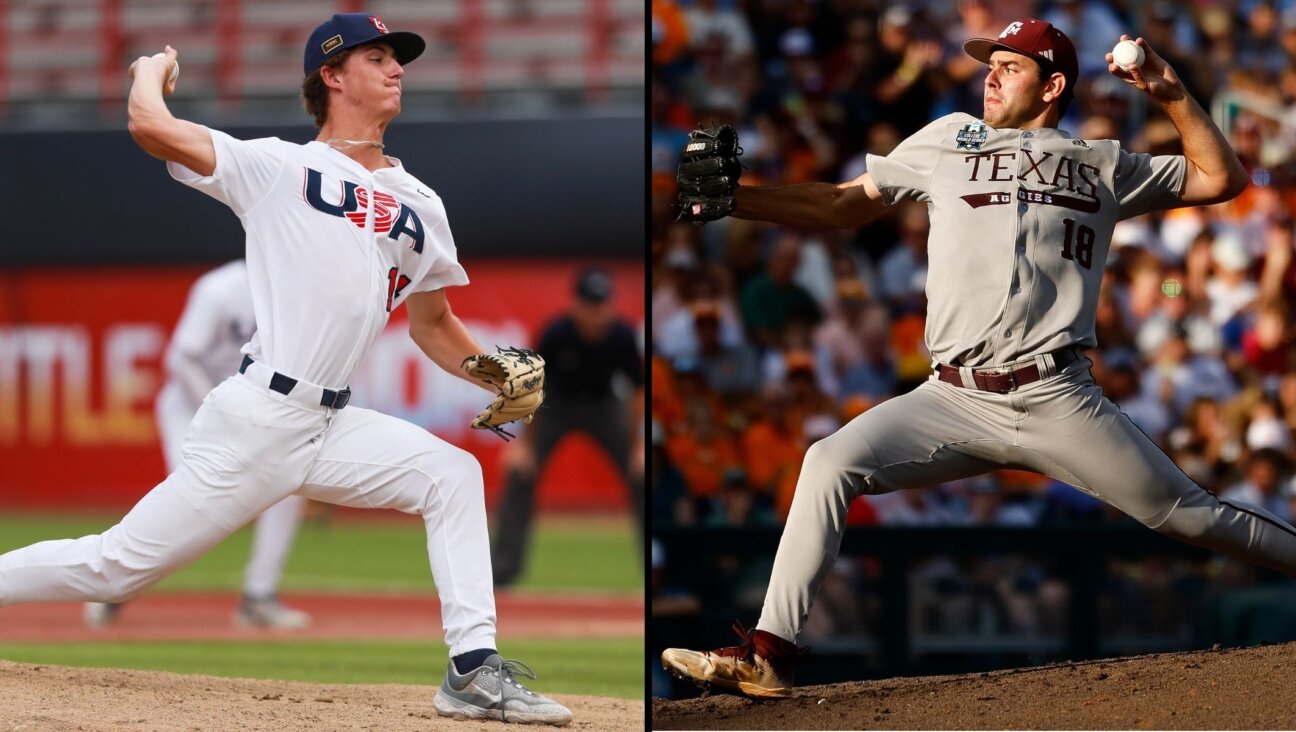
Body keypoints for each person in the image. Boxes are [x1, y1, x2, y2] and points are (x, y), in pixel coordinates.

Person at [662, 20, 1296, 699]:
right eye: (989, 63)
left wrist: (1169, 91)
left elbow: (1220, 177)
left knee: (1188, 514)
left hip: (1060, 397)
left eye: (1011, 65)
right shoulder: (946, 140)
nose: (991, 74)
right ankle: (770, 656)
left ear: (1053, 86)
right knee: (827, 462)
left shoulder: (1102, 162)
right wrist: (737, 199)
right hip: (953, 397)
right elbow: (842, 205)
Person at [0, 13, 570, 726]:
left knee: (450, 475)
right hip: (257, 420)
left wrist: (498, 373)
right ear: (331, 76)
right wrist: (149, 71)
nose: (397, 69)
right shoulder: (279, 167)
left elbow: (433, 325)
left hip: (329, 424)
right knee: (112, 567)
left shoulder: (422, 203)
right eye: (377, 57)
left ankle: (472, 670)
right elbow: (151, 126)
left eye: (399, 58)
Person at [84, 259, 311, 630]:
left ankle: (258, 596)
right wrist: (216, 408)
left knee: (290, 488)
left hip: (251, 410)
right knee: (189, 506)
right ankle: (116, 586)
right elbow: (181, 358)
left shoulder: (299, 291)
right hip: (191, 407)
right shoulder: (220, 289)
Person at [490, 268, 645, 586]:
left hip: (605, 406)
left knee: (643, 476)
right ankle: (502, 572)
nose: (598, 313)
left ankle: (654, 572)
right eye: (591, 305)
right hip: (556, 407)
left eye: (603, 304)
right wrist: (526, 447)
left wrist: (638, 447)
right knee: (521, 473)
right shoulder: (556, 334)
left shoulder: (622, 337)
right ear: (576, 305)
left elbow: (638, 393)